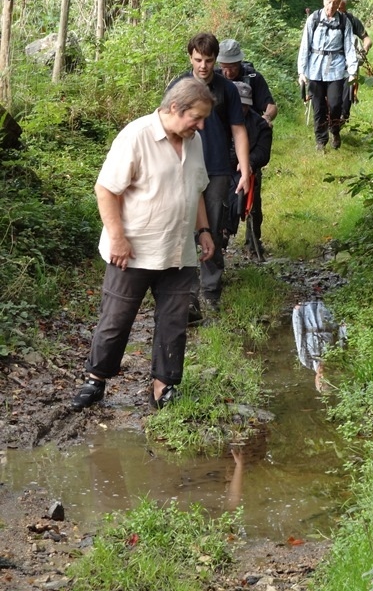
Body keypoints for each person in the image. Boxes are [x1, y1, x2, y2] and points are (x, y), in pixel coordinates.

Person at [71, 78, 215, 412]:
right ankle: (95, 381)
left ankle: (163, 388)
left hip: (179, 251)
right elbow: (106, 189)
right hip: (133, 251)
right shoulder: (136, 136)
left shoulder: (194, 141)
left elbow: (197, 189)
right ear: (175, 108)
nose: (202, 125)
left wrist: (204, 229)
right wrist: (117, 237)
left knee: (174, 322)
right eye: (197, 117)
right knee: (116, 320)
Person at [171, 33, 251, 324]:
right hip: (183, 168)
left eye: (208, 60)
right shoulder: (179, 86)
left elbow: (238, 128)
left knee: (213, 229)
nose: (203, 66)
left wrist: (245, 168)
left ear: (216, 60)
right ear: (190, 57)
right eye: (198, 60)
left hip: (218, 168)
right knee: (184, 229)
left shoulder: (227, 89)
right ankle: (187, 296)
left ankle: (211, 290)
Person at [297, 0, 358, 153]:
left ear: (340, 4)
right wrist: (301, 72)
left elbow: (349, 48)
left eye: (335, 3)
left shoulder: (344, 22)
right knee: (318, 107)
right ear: (324, 1)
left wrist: (353, 72)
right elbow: (305, 46)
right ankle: (320, 140)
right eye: (329, 2)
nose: (331, 6)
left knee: (336, 103)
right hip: (315, 69)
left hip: (336, 69)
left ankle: (335, 130)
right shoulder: (314, 19)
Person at [224, 81, 272, 258]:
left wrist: (249, 163)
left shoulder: (260, 125)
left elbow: (263, 152)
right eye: (238, 104)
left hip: (243, 171)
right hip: (216, 167)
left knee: (237, 192)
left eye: (245, 105)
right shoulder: (215, 119)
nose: (241, 108)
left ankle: (228, 231)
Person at [216, 39, 278, 128]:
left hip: (250, 126)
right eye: (224, 67)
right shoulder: (214, 77)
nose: (229, 72)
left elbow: (271, 106)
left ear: (239, 62)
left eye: (233, 67)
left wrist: (266, 117)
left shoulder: (254, 77)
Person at [292, 301, 347, 392]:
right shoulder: (335, 359)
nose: (323, 376)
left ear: (315, 379)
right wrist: (343, 327)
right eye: (326, 379)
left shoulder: (307, 361)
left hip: (309, 318)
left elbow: (299, 338)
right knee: (327, 295)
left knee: (308, 295)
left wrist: (297, 313)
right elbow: (341, 341)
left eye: (320, 380)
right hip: (328, 318)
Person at [338, 0, 373, 123]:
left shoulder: (352, 20)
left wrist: (365, 47)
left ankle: (344, 115)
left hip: (349, 60)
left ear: (344, 6)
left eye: (340, 7)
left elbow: (367, 38)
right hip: (331, 61)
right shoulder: (325, 18)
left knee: (349, 86)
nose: (337, 10)